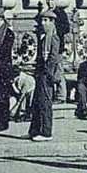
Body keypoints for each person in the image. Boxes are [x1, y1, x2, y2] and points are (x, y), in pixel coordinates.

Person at [28, 9, 61, 142]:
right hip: (40, 74)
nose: (43, 23)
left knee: (45, 104)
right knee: (36, 103)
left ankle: (46, 132)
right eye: (42, 20)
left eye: (46, 20)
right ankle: (34, 131)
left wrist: (47, 73)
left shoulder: (53, 37)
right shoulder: (44, 36)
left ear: (52, 22)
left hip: (46, 75)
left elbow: (53, 58)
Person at [45, 0, 70, 102]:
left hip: (57, 45)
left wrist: (55, 28)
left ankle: (61, 96)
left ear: (56, 0)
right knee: (51, 70)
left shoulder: (60, 13)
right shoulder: (46, 12)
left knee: (58, 71)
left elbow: (66, 28)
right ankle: (53, 94)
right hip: (48, 45)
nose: (49, 2)